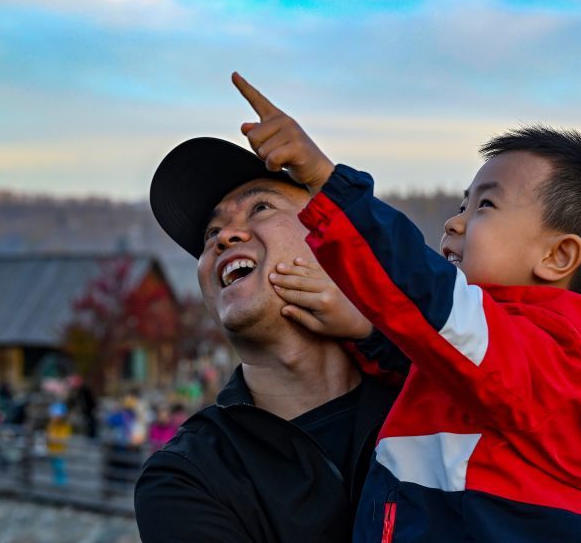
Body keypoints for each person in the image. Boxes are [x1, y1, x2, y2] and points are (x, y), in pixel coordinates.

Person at [231, 72, 581, 542]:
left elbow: (429, 299)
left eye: (485, 206)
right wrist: (369, 333)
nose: (454, 223)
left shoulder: (552, 357)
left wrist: (326, 182)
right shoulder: (514, 360)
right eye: (463, 203)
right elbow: (445, 376)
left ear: (557, 256)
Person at [135, 133, 401, 542]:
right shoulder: (187, 477)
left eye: (260, 207)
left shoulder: (426, 395)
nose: (224, 237)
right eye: (210, 234)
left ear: (331, 240)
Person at [46, 402, 73, 487]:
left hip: (60, 451)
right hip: (52, 450)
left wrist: (54, 439)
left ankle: (61, 484)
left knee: (59, 468)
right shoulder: (51, 425)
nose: (53, 417)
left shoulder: (65, 425)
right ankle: (57, 483)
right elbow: (49, 436)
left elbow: (64, 438)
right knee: (55, 468)